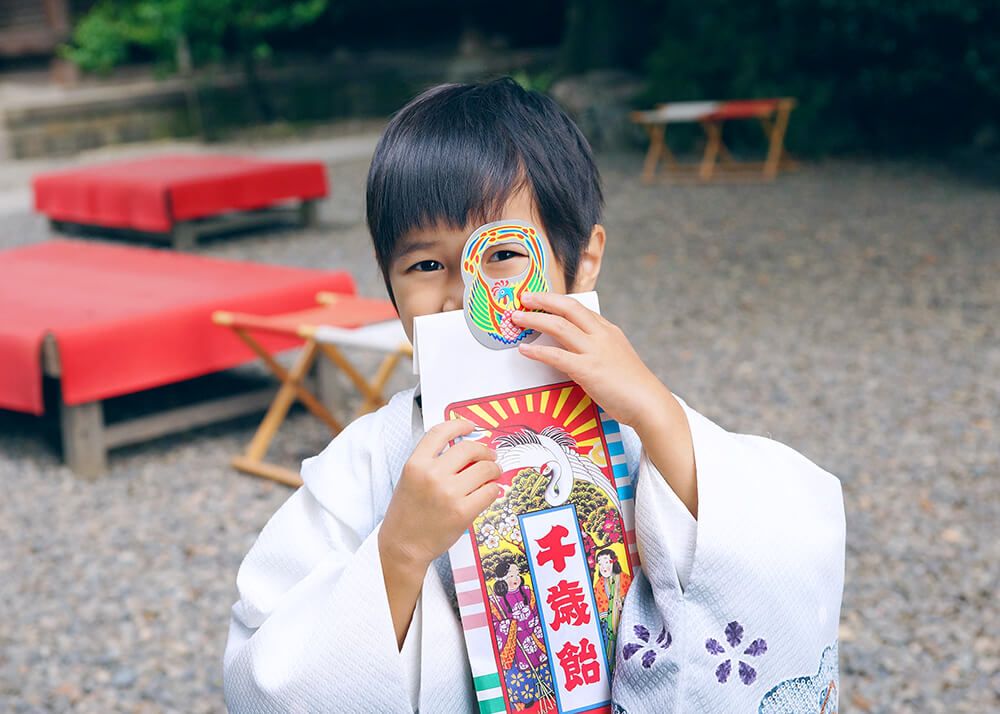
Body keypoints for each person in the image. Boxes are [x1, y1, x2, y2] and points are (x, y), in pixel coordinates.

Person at [223, 78, 845, 714]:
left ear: (585, 259)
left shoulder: (637, 423)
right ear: (389, 285)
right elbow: (267, 675)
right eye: (426, 266)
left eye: (500, 256)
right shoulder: (367, 463)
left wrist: (658, 414)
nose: (467, 296)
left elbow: (778, 547)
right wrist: (400, 550)